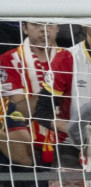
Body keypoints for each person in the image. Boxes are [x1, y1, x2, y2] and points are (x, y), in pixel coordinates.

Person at [0, 21, 66, 165]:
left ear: (58, 28)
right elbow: (20, 111)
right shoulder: (8, 60)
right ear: (24, 28)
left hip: (67, 143)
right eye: (36, 25)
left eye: (50, 25)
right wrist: (55, 88)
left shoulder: (72, 57)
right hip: (26, 147)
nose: (44, 30)